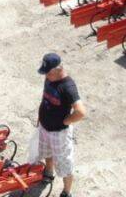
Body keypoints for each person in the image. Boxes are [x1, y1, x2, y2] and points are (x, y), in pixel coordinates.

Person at [36, 53, 86, 197]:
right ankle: (48, 172)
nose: (46, 76)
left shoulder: (68, 86)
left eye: (48, 73)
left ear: (58, 70)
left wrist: (65, 121)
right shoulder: (49, 77)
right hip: (44, 127)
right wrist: (40, 117)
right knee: (46, 152)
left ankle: (66, 192)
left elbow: (81, 112)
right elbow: (45, 97)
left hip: (59, 133)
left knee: (64, 164)